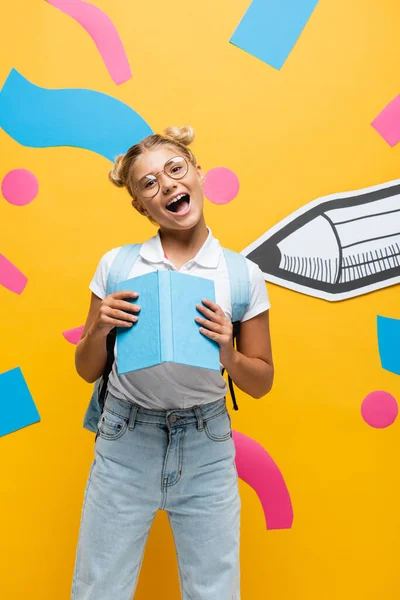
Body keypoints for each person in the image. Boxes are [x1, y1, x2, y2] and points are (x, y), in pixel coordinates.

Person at [71, 126, 274, 600]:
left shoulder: (242, 275)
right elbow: (85, 368)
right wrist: (101, 327)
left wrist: (229, 352)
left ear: (198, 174)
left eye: (176, 169)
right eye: (148, 183)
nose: (166, 184)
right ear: (142, 206)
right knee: (98, 587)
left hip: (207, 445)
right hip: (125, 441)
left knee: (214, 591)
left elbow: (262, 381)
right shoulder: (118, 266)